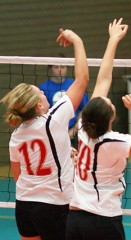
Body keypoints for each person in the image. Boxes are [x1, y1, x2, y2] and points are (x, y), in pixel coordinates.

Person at [65, 18, 131, 240]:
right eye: (110, 104)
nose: (109, 100)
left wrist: (113, 40)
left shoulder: (83, 129)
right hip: (102, 219)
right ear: (111, 117)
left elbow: (103, 79)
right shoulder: (114, 142)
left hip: (74, 218)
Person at [0, 29, 89, 240]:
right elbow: (83, 79)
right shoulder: (54, 119)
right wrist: (77, 39)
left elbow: (18, 175)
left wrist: (63, 154)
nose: (42, 91)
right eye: (39, 92)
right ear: (39, 104)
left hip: (24, 206)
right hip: (54, 205)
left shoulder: (16, 135)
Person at [39, 53, 89, 149]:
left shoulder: (74, 85)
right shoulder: (43, 88)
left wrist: (74, 130)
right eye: (56, 67)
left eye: (63, 66)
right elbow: (41, 112)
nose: (60, 70)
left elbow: (85, 109)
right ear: (50, 69)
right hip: (51, 134)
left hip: (73, 135)